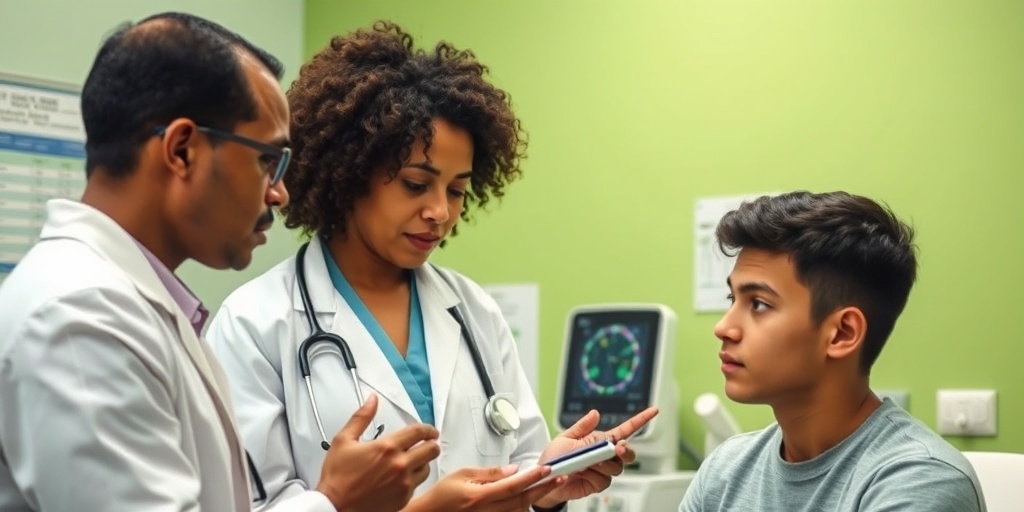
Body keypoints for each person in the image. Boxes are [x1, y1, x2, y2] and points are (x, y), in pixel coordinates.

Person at [0, 12, 459, 512]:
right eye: (268, 160)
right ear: (181, 150)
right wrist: (335, 502)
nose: (280, 193)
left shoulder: (132, 305)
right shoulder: (79, 320)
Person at [206, 21, 656, 512]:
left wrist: (547, 485)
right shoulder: (255, 324)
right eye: (416, 185)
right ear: (349, 173)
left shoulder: (472, 310)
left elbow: (521, 463)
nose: (440, 211)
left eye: (457, 190)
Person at [678, 191, 986, 511]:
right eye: (732, 300)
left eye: (758, 304)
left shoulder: (921, 482)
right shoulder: (725, 471)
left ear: (841, 333)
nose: (724, 328)